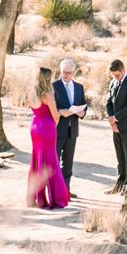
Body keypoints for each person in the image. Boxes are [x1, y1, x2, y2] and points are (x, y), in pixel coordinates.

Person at [27, 66, 70, 210]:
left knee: (36, 162)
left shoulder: (31, 92)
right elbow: (55, 115)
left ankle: (36, 198)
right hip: (46, 128)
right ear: (47, 78)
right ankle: (55, 199)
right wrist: (57, 120)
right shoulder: (47, 94)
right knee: (51, 163)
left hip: (35, 127)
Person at [53, 57, 88, 198]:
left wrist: (82, 112)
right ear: (60, 70)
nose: (66, 75)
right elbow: (51, 108)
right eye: (64, 72)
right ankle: (55, 191)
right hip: (57, 129)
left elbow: (84, 104)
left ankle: (65, 190)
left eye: (69, 72)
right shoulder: (54, 86)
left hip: (72, 130)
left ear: (74, 73)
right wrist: (61, 112)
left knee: (68, 163)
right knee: (55, 161)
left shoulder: (79, 87)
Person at [105, 59, 127, 193]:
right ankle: (119, 183)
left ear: (123, 70)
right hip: (115, 126)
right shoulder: (113, 83)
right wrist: (111, 119)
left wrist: (115, 118)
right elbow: (108, 102)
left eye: (117, 75)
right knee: (119, 157)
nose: (115, 77)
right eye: (113, 75)